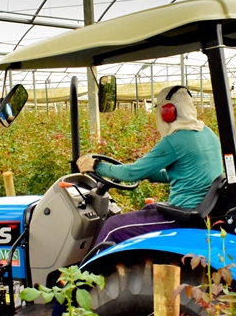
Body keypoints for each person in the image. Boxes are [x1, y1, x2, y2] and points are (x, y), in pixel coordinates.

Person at [76, 85, 223, 249]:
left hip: (183, 216)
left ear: (168, 112)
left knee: (113, 226)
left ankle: (88, 274)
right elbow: (180, 174)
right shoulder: (207, 133)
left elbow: (131, 174)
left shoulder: (175, 141)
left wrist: (96, 166)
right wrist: (147, 173)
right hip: (202, 211)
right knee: (148, 209)